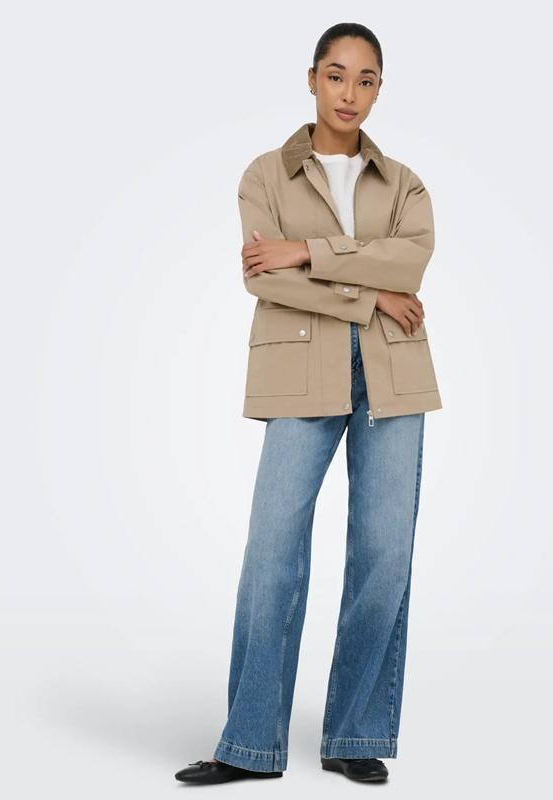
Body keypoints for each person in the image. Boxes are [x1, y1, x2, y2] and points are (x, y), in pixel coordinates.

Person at [175, 21, 442, 786]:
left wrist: (310, 252)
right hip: (299, 369)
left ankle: (355, 734)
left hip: (394, 371)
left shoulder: (405, 184)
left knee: (384, 557)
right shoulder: (266, 175)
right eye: (336, 75)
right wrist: (369, 294)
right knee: (273, 554)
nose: (349, 92)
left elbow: (411, 262)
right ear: (312, 78)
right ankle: (249, 745)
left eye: (365, 79)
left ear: (379, 90)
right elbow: (265, 277)